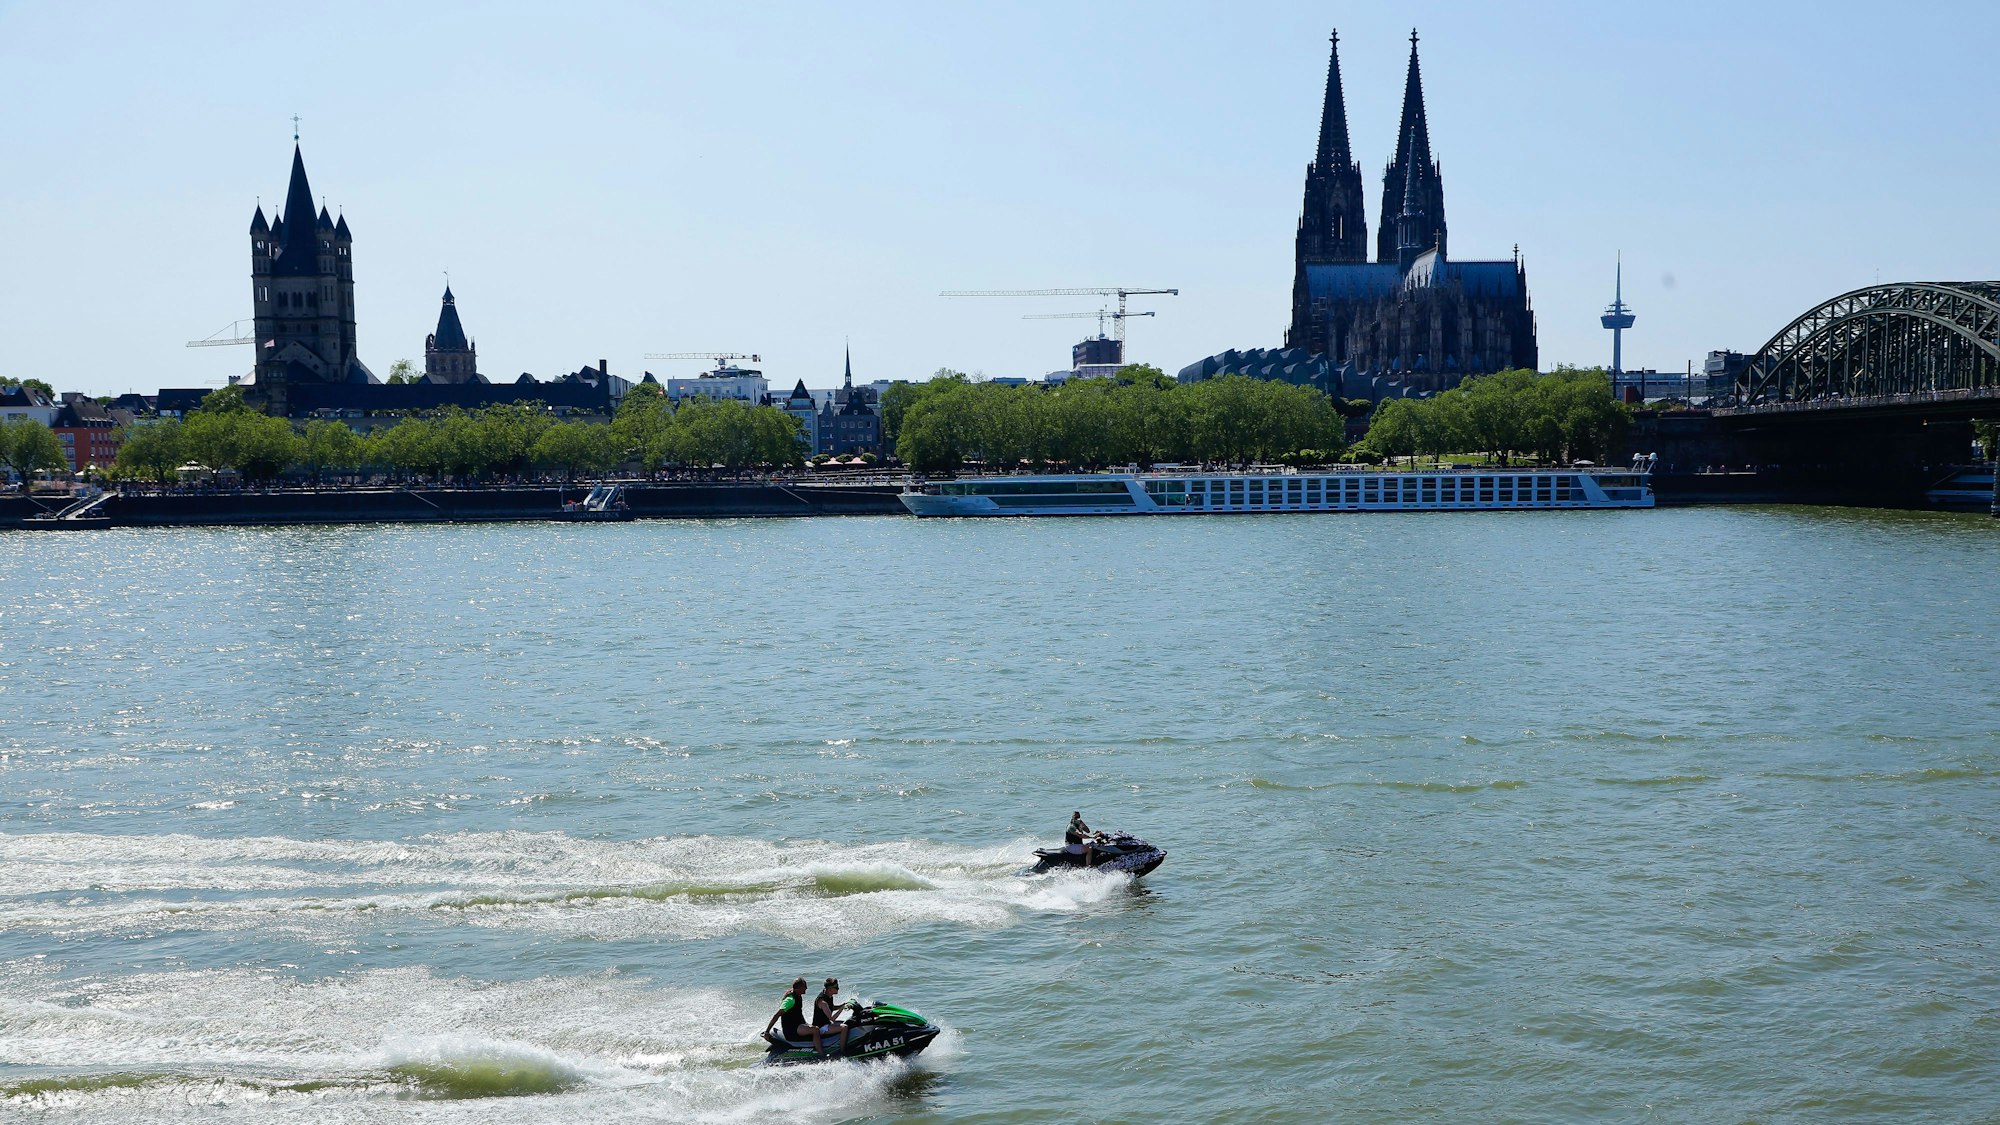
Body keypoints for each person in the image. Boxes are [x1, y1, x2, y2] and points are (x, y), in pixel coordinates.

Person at [810, 976, 854, 1057]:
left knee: (849, 1022)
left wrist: (842, 1005)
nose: (838, 989)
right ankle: (842, 1052)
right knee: (844, 1027)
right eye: (836, 987)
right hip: (821, 1027)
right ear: (830, 989)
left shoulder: (829, 995)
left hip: (827, 1023)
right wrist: (841, 1009)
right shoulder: (822, 1001)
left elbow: (831, 1007)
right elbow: (832, 1018)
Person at [764, 977, 811, 1044]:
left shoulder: (797, 994)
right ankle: (820, 1051)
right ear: (798, 988)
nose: (806, 988)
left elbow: (797, 1013)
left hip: (798, 1026)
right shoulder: (790, 1000)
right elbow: (777, 1015)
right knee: (815, 1030)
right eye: (804, 986)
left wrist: (805, 1023)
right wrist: (767, 1031)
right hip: (791, 1030)